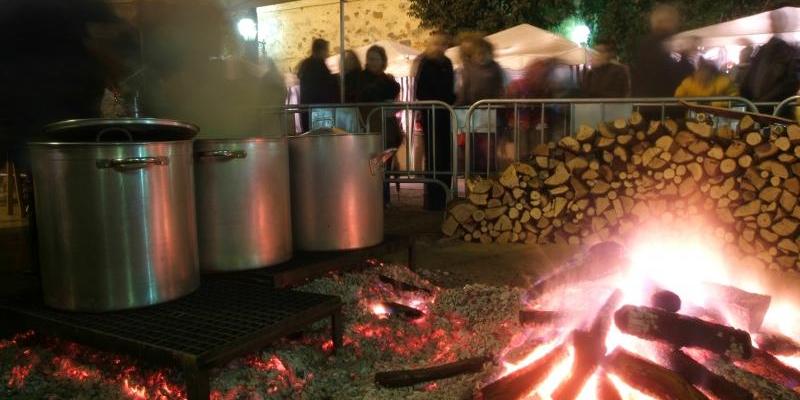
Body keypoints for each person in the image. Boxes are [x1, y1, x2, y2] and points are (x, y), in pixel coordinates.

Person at [414, 31, 456, 211]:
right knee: (433, 156)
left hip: (444, 115)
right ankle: (433, 199)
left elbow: (450, 88)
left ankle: (445, 195)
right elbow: (420, 91)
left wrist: (451, 99)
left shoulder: (447, 63)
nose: (440, 47)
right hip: (431, 115)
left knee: (445, 156)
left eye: (443, 44)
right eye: (437, 43)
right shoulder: (426, 63)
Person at [357, 45, 402, 204]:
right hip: (370, 128)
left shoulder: (386, 80)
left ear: (383, 61)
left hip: (386, 129)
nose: (372, 62)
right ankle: (375, 198)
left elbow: (394, 89)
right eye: (370, 59)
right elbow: (366, 94)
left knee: (384, 163)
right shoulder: (362, 78)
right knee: (373, 164)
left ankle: (384, 197)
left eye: (375, 59)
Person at [741, 8, 800, 117]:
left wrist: (761, 101)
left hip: (774, 109)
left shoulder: (790, 51)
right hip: (759, 107)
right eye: (772, 20)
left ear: (784, 23)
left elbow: (790, 83)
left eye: (777, 20)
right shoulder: (764, 50)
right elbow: (750, 77)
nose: (773, 23)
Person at [631, 4, 691, 98]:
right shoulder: (672, 44)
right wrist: (685, 57)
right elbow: (680, 72)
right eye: (673, 20)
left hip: (644, 100)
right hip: (668, 99)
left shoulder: (643, 45)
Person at [297, 38, 338, 130]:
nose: (327, 53)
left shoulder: (307, 64)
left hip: (308, 107)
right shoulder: (318, 66)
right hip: (318, 109)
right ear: (321, 50)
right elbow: (323, 87)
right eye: (326, 50)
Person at [456, 36, 505, 105]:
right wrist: (460, 102)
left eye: (484, 53)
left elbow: (499, 86)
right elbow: (464, 87)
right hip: (472, 105)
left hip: (491, 105)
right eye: (478, 54)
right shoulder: (468, 68)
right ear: (473, 55)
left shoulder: (495, 67)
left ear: (490, 54)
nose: (482, 57)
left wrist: (500, 101)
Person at [675, 58, 739, 100]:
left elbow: (734, 98)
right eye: (702, 69)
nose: (704, 72)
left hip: (718, 113)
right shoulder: (688, 83)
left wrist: (717, 104)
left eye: (707, 69)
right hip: (694, 113)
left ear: (713, 71)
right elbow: (678, 97)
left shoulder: (724, 82)